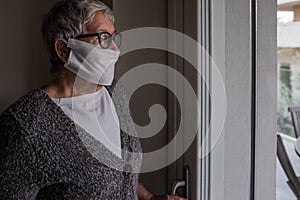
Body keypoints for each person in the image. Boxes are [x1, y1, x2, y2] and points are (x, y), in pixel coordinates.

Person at [0, 0, 187, 199]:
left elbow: (119, 173)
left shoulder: (116, 94)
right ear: (64, 50)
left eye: (113, 38)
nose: (115, 50)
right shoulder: (25, 126)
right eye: (103, 38)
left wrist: (149, 197)